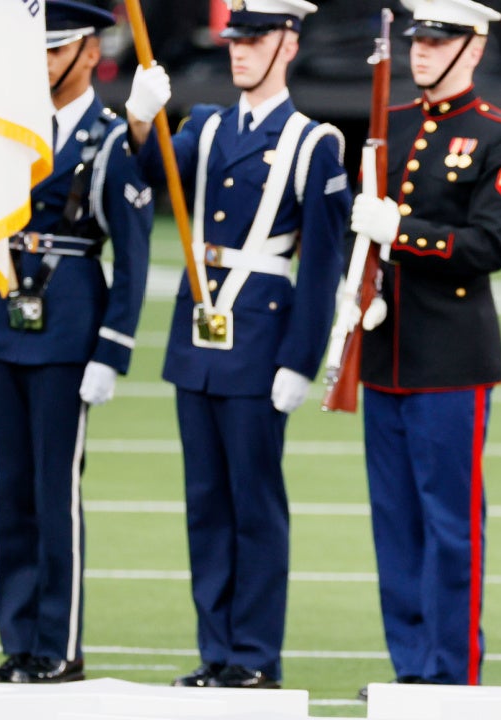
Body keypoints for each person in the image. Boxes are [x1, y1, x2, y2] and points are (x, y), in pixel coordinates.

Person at [123, 0, 351, 689]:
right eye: (234, 40)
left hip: (259, 338)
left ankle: (253, 655)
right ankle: (216, 649)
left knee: (254, 505)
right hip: (200, 337)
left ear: (288, 42)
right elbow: (150, 175)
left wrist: (298, 359)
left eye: (253, 40)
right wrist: (141, 116)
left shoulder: (315, 143)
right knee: (206, 504)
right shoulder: (207, 126)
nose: (238, 51)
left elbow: (322, 265)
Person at [347, 0, 501, 693]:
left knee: (451, 529)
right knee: (394, 526)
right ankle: (410, 671)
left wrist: (399, 229)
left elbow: (488, 246)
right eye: (419, 40)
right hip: (384, 352)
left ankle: (451, 678)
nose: (421, 52)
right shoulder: (388, 126)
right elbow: (360, 235)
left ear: (474, 47)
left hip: (451, 361)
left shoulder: (499, 137)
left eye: (439, 40)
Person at [0, 0, 153, 684]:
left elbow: (133, 257)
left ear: (87, 54)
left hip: (70, 326)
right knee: (11, 491)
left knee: (54, 493)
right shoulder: (14, 130)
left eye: (55, 51)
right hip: (8, 325)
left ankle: (59, 644)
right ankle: (19, 640)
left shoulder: (107, 141)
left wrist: (112, 349)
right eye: (37, 52)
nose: (43, 63)